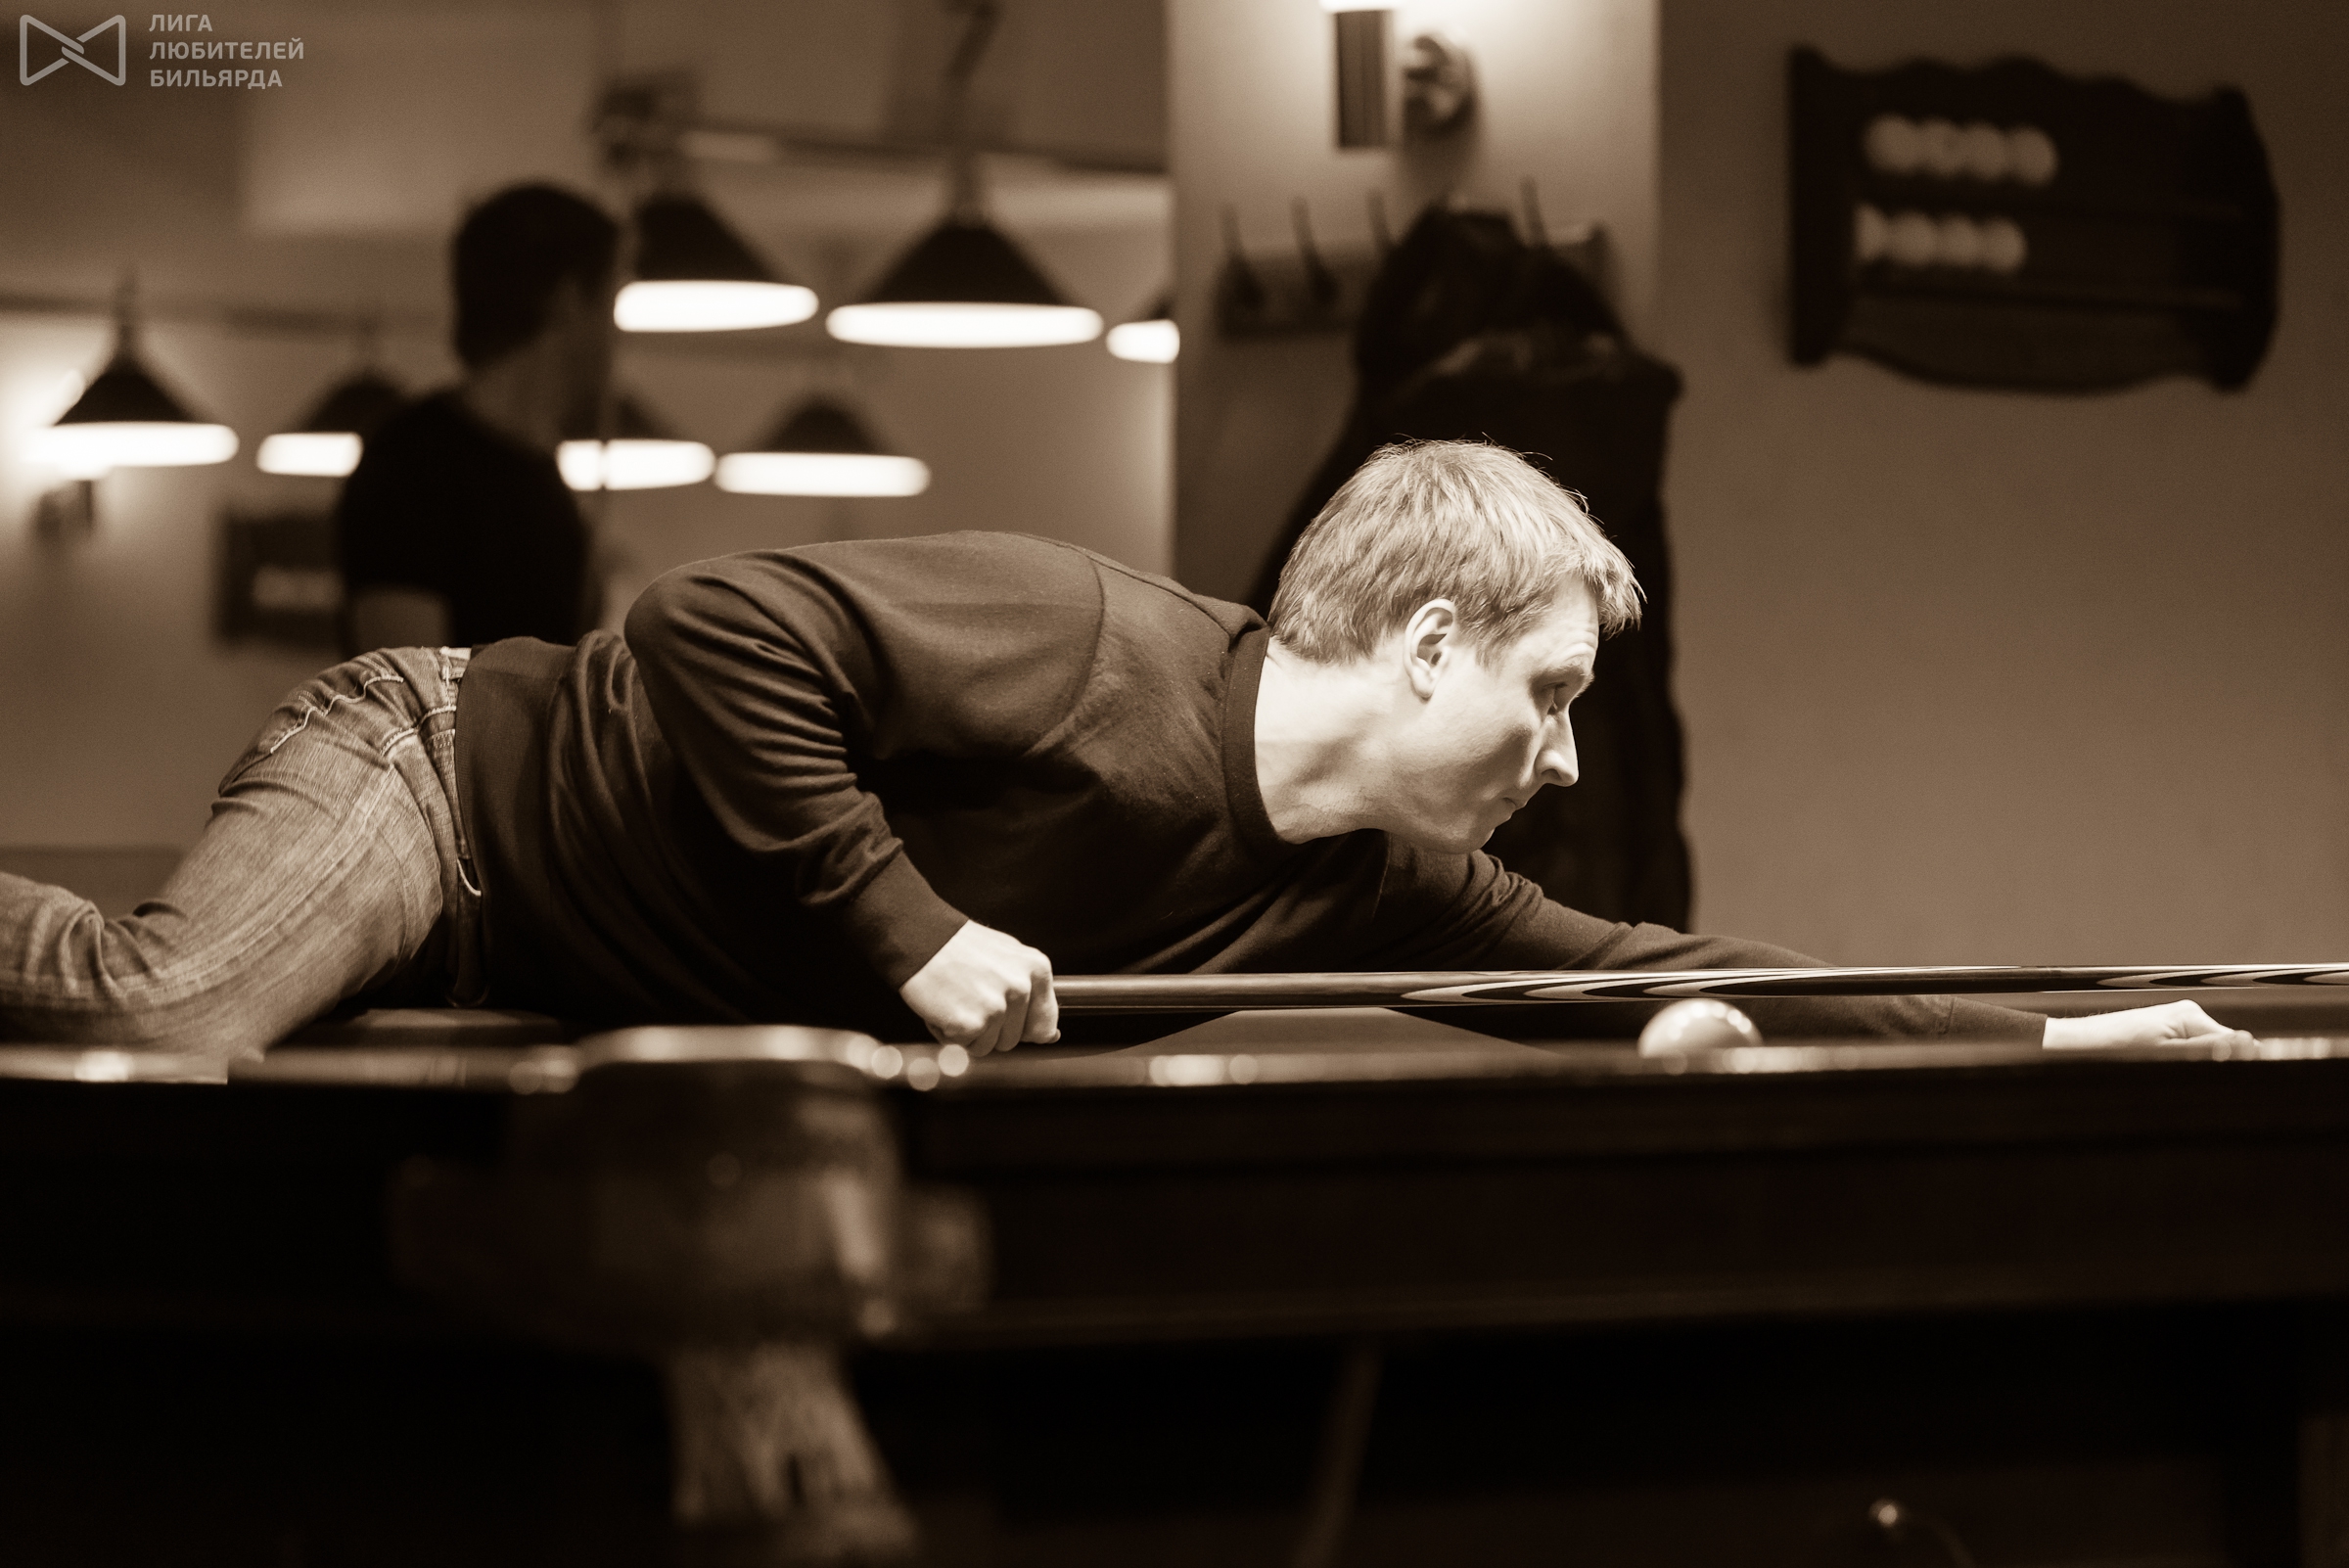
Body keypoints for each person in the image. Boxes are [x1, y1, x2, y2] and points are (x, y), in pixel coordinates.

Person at [2, 441, 2242, 1063]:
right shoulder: (1092, 648)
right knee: (155, 1013)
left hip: (568, 968)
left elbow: (1666, 960)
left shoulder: (1366, 873)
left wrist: (2057, 1032)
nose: (1564, 758)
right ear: (1429, 642)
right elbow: (701, 628)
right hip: (445, 787)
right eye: (1550, 693)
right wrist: (907, 925)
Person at [334, 183, 619, 654]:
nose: (617, 336)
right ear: (568, 301)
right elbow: (407, 687)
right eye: (610, 304)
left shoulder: (546, 481)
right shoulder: (409, 463)